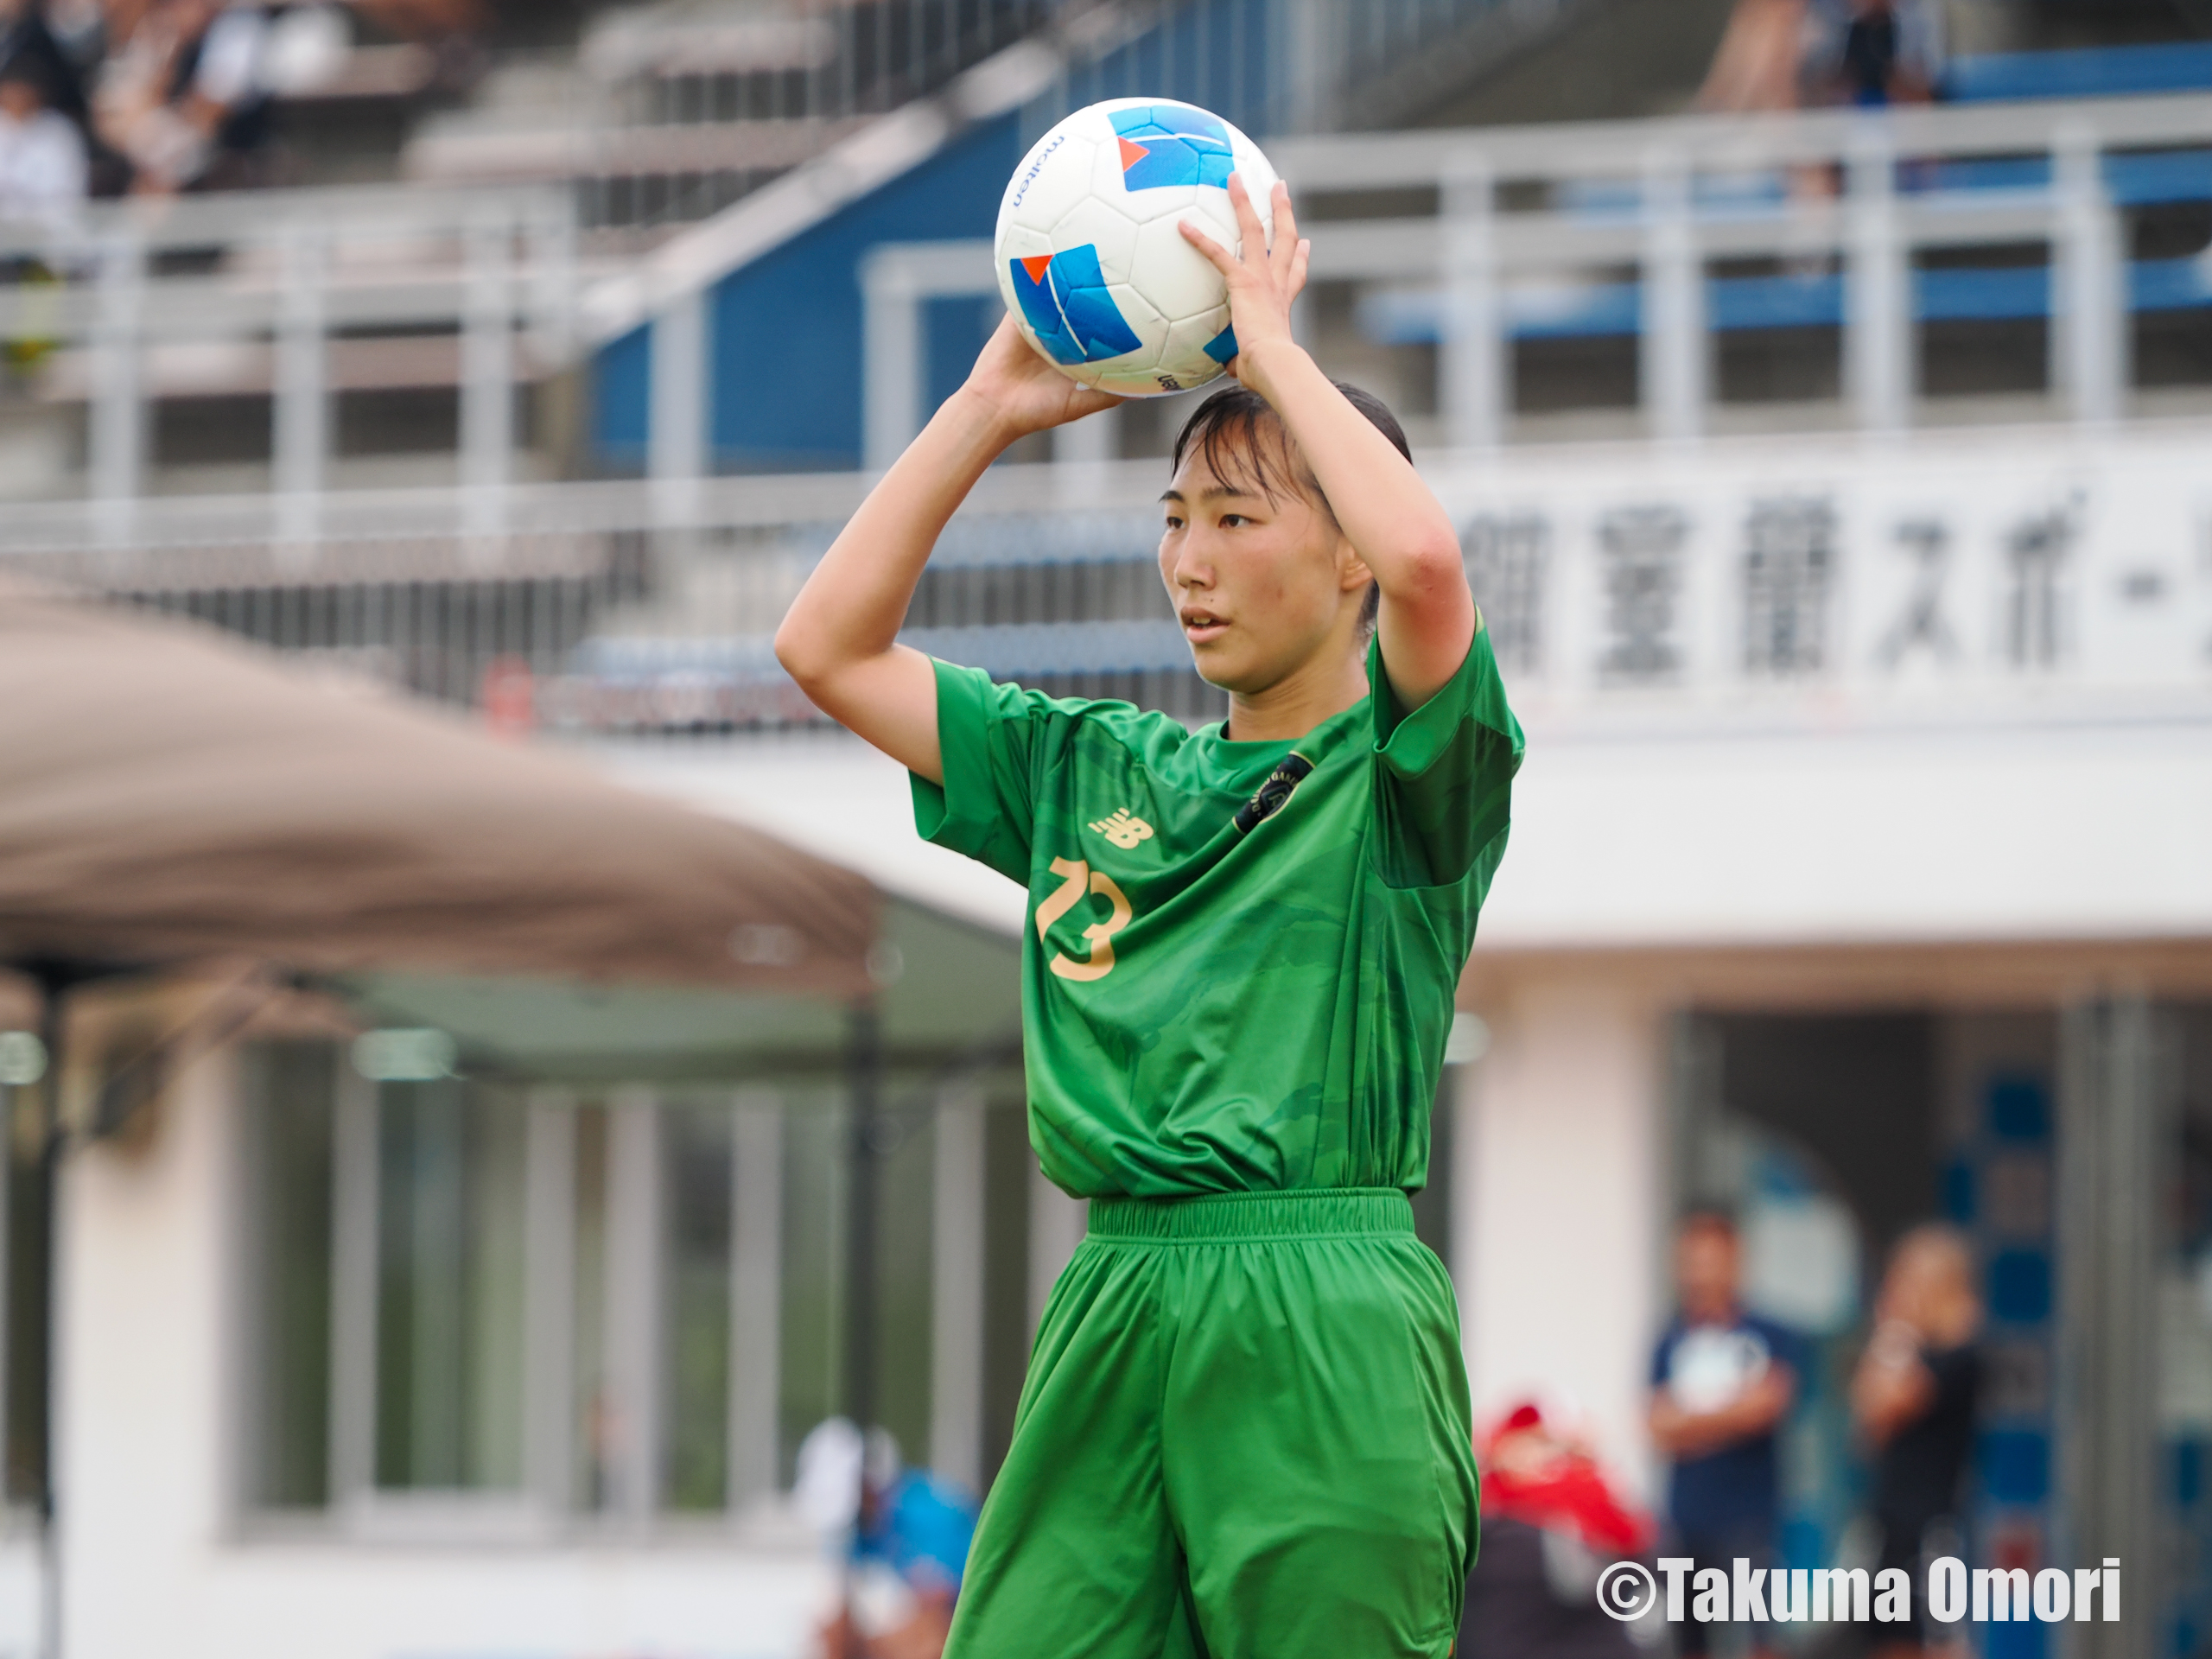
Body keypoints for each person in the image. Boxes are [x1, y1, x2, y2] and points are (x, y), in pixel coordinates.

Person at [774, 171, 1522, 1657]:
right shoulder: (1088, 767)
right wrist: (984, 409)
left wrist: (1273, 351)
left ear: (1348, 558)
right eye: (1176, 517)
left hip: (1324, 1310)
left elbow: (1432, 566)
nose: (1191, 559)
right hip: (1111, 1297)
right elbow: (826, 646)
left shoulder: (1403, 776)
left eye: (1237, 517)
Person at [1648, 1209, 1803, 1659]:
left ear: (1735, 1261)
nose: (1700, 1272)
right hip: (1686, 1519)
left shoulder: (1770, 1334)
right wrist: (1734, 1411)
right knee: (1688, 1640)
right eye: (1692, 1260)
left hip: (1750, 1518)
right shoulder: (1669, 1339)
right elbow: (1656, 1424)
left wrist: (1691, 1420)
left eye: (1711, 1259)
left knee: (1760, 1637)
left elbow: (1769, 1406)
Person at [1852, 1224, 1981, 1659]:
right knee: (1889, 1640)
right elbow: (1869, 1423)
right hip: (1889, 1524)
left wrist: (1894, 1333)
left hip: (1933, 1528)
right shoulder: (1909, 1354)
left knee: (1940, 1641)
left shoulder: (1958, 1358)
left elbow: (1894, 1401)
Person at [1460, 1400, 1653, 1659]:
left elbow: (1633, 1541)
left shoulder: (1592, 1497)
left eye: (1555, 1447)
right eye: (1534, 1442)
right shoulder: (1485, 1504)